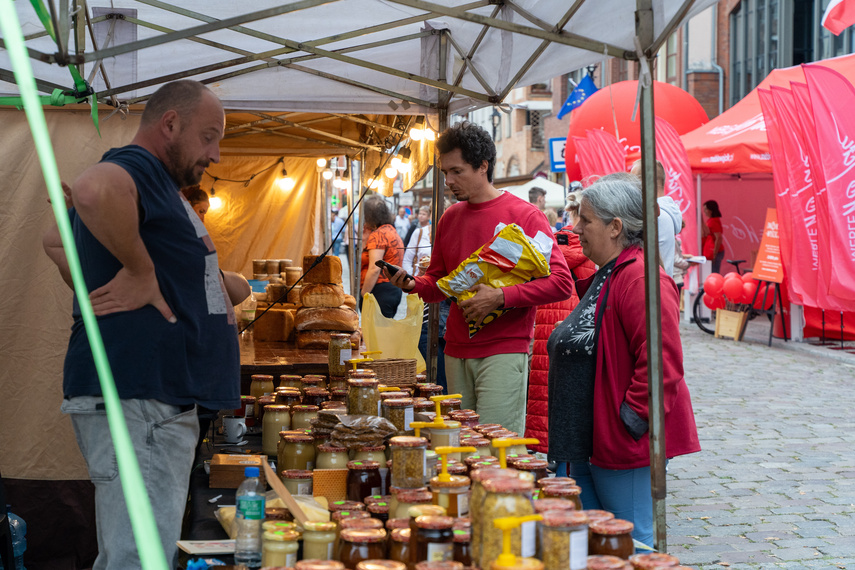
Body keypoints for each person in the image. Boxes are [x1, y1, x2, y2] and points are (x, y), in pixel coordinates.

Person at [41, 80, 239, 569]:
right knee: (139, 557)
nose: (214, 154)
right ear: (170, 124)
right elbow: (91, 189)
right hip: (143, 398)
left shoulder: (156, 187)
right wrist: (138, 272)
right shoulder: (139, 169)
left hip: (149, 400)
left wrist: (100, 287)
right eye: (208, 136)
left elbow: (54, 237)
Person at [386, 121, 574, 436]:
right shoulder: (449, 218)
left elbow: (561, 283)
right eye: (445, 172)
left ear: (482, 166)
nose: (448, 181)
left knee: (495, 446)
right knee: (463, 444)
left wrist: (500, 297)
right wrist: (412, 284)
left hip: (503, 349)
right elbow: (439, 283)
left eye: (456, 171)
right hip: (455, 349)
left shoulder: (526, 216)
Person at [546, 172, 700, 548]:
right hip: (589, 438)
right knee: (599, 540)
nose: (575, 227)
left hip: (621, 443)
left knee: (630, 540)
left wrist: (631, 419)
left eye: (585, 219)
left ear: (615, 227)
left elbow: (661, 361)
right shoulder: (613, 273)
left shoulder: (642, 278)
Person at [524, 193, 596, 454]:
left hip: (544, 326)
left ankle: (538, 444)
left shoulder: (546, 251)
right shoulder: (592, 253)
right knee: (570, 391)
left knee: (542, 386)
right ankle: (562, 450)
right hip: (575, 329)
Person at [630, 159, 682, 277]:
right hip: (658, 286)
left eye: (633, 181)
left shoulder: (654, 215)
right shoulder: (665, 213)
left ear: (646, 182)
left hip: (650, 288)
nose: (630, 187)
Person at [360, 195, 405, 318]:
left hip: (379, 290)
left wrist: (364, 293)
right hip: (392, 289)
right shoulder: (391, 230)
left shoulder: (378, 235)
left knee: (376, 334)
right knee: (384, 332)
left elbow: (375, 268)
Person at [702, 199, 725, 274]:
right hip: (713, 252)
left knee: (714, 273)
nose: (704, 211)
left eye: (706, 209)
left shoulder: (713, 222)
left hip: (716, 252)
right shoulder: (710, 221)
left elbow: (718, 238)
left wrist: (714, 254)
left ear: (710, 210)